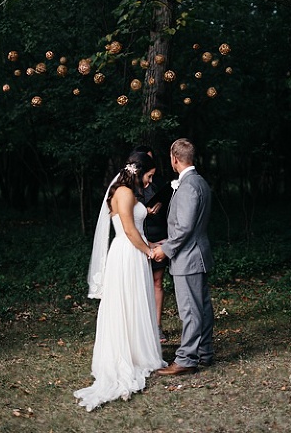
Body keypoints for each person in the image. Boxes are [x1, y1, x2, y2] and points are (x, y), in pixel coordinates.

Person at [74, 151, 166, 411]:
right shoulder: (124, 192)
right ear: (138, 172)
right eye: (148, 176)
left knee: (135, 304)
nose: (149, 182)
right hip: (127, 255)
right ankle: (128, 358)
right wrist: (148, 251)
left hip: (133, 251)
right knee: (127, 304)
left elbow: (134, 226)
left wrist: (150, 243)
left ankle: (138, 351)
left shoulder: (128, 191)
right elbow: (128, 230)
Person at [152, 138, 214, 375]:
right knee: (202, 308)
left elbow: (185, 226)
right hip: (197, 253)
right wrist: (166, 242)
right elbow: (191, 226)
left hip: (187, 258)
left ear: (174, 159)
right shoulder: (200, 182)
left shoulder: (188, 186)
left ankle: (187, 359)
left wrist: (165, 250)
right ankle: (205, 352)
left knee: (190, 310)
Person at [132, 145, 170, 344]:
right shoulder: (129, 188)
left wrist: (160, 205)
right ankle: (139, 327)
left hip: (157, 234)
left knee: (157, 282)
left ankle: (156, 327)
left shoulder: (158, 183)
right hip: (139, 238)